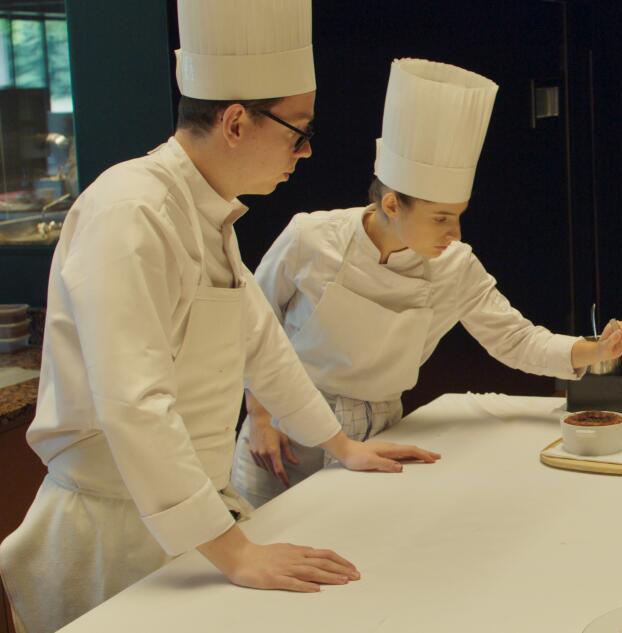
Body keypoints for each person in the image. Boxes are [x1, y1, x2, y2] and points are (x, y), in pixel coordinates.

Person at [0, 3, 439, 631]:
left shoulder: (209, 214)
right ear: (236, 122)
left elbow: (264, 349)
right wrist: (234, 552)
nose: (306, 152)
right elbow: (133, 404)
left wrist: (341, 446)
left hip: (192, 525)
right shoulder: (131, 211)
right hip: (115, 534)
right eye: (298, 131)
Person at [230, 58, 622, 507]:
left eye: (458, 217)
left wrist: (596, 350)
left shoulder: (455, 266)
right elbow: (251, 322)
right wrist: (260, 415)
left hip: (382, 428)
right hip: (287, 429)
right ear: (393, 204)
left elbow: (515, 339)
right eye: (441, 218)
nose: (454, 234)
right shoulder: (310, 237)